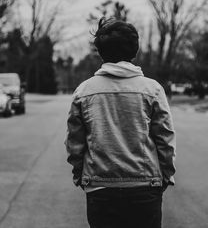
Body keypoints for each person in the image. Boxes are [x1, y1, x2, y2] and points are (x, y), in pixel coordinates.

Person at [65, 17, 176, 228]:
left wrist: (80, 175)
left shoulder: (84, 91)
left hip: (100, 189)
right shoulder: (152, 90)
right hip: (145, 189)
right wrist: (165, 175)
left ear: (101, 52)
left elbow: (75, 143)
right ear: (134, 51)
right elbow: (165, 139)